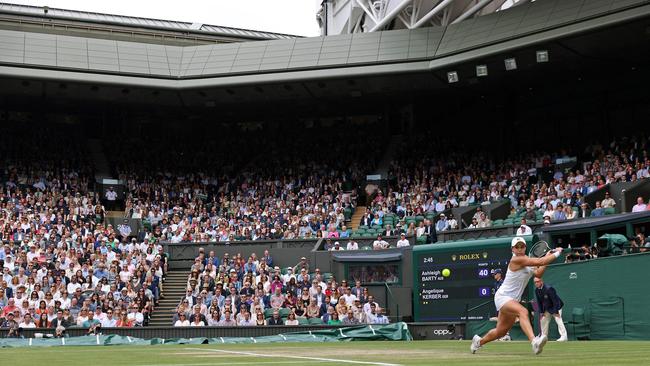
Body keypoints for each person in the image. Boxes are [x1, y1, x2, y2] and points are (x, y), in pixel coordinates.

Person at [471, 237, 562, 355]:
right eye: (516, 247)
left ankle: (478, 342)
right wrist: (557, 253)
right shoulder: (516, 260)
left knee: (501, 332)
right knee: (523, 311)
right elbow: (541, 262)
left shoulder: (527, 262)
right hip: (503, 297)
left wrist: (548, 256)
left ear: (525, 248)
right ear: (512, 249)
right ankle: (534, 342)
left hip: (512, 300)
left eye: (522, 246)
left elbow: (538, 272)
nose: (519, 249)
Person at [534, 277, 568, 342]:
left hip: (556, 306)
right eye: (535, 282)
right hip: (547, 308)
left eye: (537, 281)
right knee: (543, 320)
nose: (536, 283)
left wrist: (556, 312)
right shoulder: (537, 290)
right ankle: (544, 337)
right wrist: (541, 312)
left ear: (541, 281)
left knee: (558, 319)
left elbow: (555, 301)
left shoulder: (549, 289)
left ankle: (564, 336)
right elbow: (539, 302)